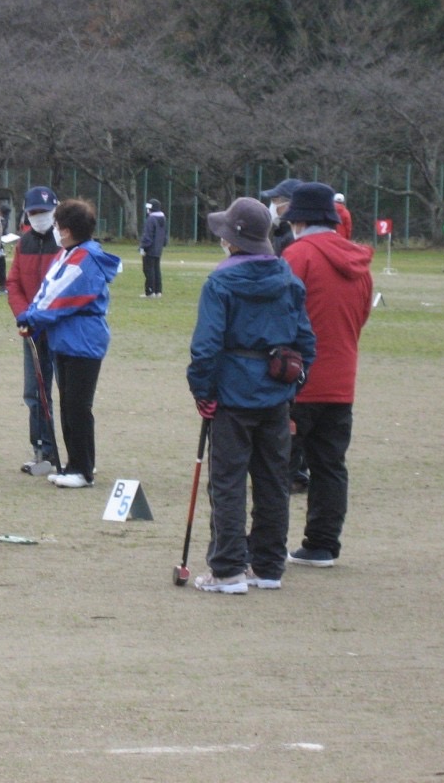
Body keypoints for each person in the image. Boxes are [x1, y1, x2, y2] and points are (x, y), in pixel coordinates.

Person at [187, 197, 315, 593]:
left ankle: (227, 569)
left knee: (227, 482)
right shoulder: (288, 278)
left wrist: (203, 392)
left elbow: (206, 348)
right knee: (273, 480)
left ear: (232, 240)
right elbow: (306, 341)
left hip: (231, 395)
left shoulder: (220, 282)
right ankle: (268, 566)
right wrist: (294, 385)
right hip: (276, 394)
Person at [281, 182, 373, 569]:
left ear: (299, 220)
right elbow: (362, 316)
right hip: (341, 378)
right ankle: (322, 544)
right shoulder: (360, 262)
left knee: (276, 465)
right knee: (330, 466)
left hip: (299, 379)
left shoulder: (297, 255)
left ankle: (266, 545)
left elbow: (281, 315)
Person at [16, 199, 121, 489]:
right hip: (65, 339)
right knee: (67, 403)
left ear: (69, 230)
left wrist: (33, 316)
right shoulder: (68, 254)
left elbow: (61, 295)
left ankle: (83, 468)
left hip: (83, 340)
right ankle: (75, 462)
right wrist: (33, 315)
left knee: (78, 405)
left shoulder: (84, 258)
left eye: (59, 226)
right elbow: (47, 289)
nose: (56, 231)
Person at [6, 186, 63, 476]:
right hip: (32, 330)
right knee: (35, 391)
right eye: (34, 213)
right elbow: (13, 283)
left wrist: (47, 315)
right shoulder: (24, 243)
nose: (39, 217)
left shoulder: (65, 242)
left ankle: (75, 455)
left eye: (44, 212)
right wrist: (23, 314)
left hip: (61, 329)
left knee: (68, 392)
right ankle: (43, 450)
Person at [260, 178, 302, 256]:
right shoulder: (283, 230)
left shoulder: (294, 236)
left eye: (274, 201)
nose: (272, 205)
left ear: (290, 204)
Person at [138, 198, 167, 297]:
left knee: (148, 270)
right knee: (156, 270)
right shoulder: (162, 218)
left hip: (150, 248)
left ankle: (150, 292)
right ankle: (158, 291)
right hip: (158, 248)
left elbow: (148, 235)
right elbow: (164, 235)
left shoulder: (151, 219)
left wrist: (143, 247)